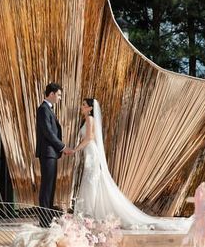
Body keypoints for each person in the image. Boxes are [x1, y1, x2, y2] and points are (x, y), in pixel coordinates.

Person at [73, 98, 192, 232]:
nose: (81, 107)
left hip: (92, 154)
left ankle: (89, 214)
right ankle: (89, 214)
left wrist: (74, 149)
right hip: (89, 153)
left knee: (91, 182)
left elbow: (89, 138)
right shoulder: (87, 119)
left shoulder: (89, 119)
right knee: (90, 183)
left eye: (84, 105)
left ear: (90, 108)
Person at [35, 83, 73, 226]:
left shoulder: (48, 109)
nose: (60, 98)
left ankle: (47, 219)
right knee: (46, 187)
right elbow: (48, 133)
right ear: (51, 94)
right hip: (47, 153)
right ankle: (44, 221)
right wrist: (63, 147)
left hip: (51, 153)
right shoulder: (43, 109)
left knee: (50, 186)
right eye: (59, 95)